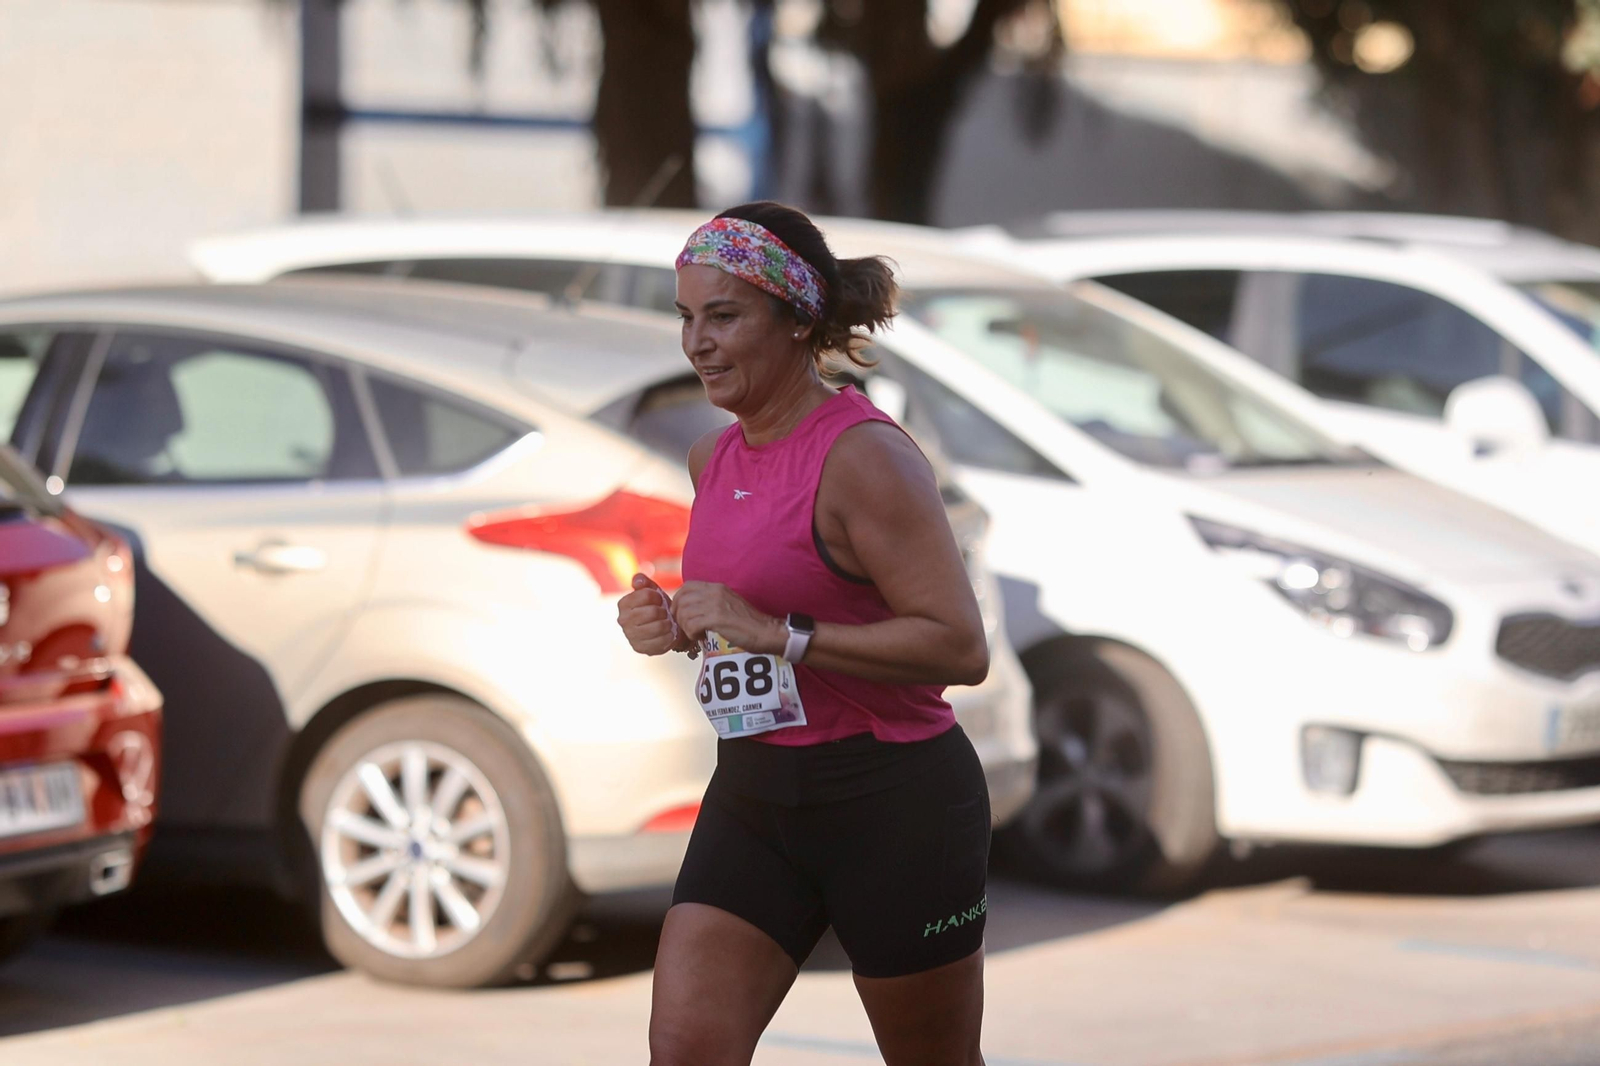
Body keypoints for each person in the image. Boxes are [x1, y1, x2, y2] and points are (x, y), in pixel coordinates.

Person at [617, 201, 992, 1066]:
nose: (697, 343)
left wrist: (781, 634)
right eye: (685, 317)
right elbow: (745, 614)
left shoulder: (865, 458)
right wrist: (675, 626)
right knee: (686, 1051)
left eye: (724, 315)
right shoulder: (714, 458)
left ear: (796, 320)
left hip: (891, 802)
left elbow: (958, 647)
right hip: (755, 794)